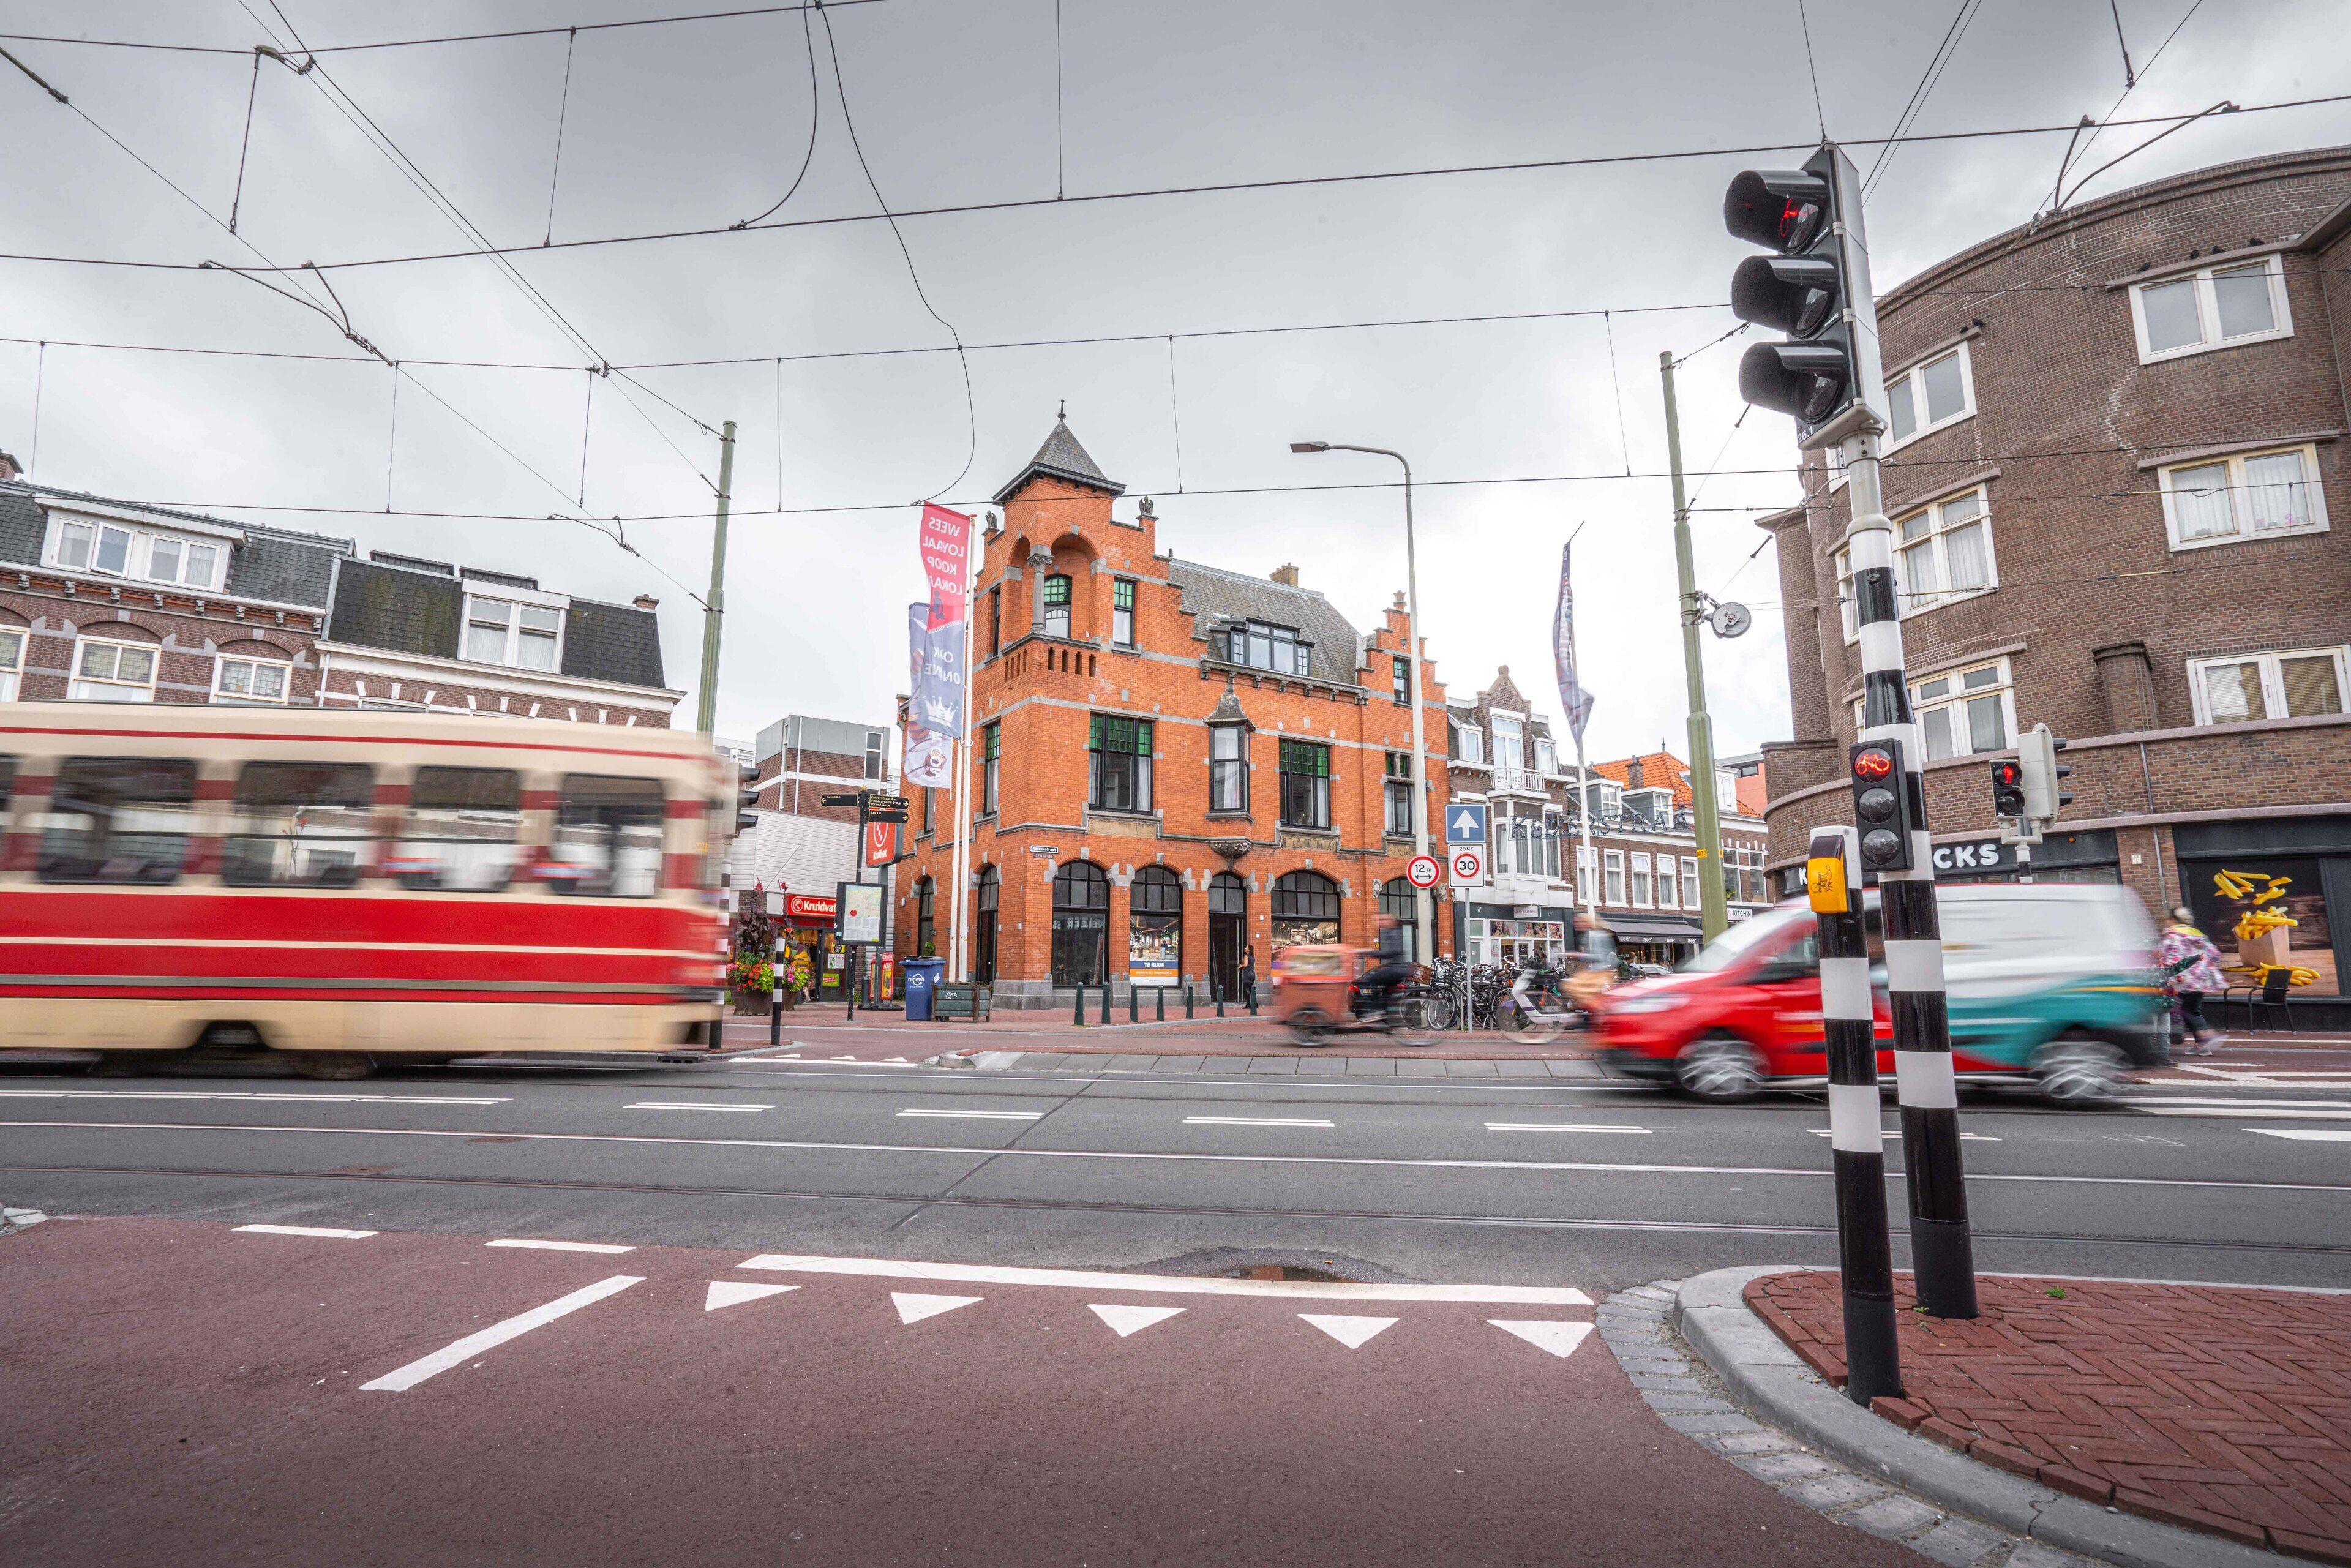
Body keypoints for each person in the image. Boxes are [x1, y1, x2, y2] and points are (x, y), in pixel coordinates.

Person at [2157, 907, 2227, 1056]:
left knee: (2180, 1009)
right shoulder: (2198, 934)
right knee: (2194, 1010)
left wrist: (2169, 977)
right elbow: (2215, 955)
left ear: (2173, 920)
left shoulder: (2172, 935)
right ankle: (2202, 1046)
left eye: (2168, 919)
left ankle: (2208, 1034)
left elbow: (2171, 958)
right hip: (2201, 979)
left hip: (2182, 980)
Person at [1357, 914, 1413, 1019]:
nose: (1380, 922)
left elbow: (1392, 952)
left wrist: (1371, 952)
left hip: (1397, 970)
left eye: (1383, 920)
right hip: (1398, 969)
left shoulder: (1394, 932)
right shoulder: (1392, 932)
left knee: (1371, 980)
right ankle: (1386, 1015)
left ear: (1391, 921)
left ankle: (1377, 1011)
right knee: (1385, 990)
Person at [1235, 946, 1258, 1011]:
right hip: (1252, 974)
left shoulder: (1246, 956)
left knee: (1247, 989)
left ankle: (1248, 1004)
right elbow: (1254, 966)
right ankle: (1255, 1004)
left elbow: (1245, 965)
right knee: (1251, 990)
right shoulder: (1253, 957)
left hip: (1247, 974)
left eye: (1246, 948)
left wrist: (1240, 966)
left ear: (1249, 950)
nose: (1245, 948)